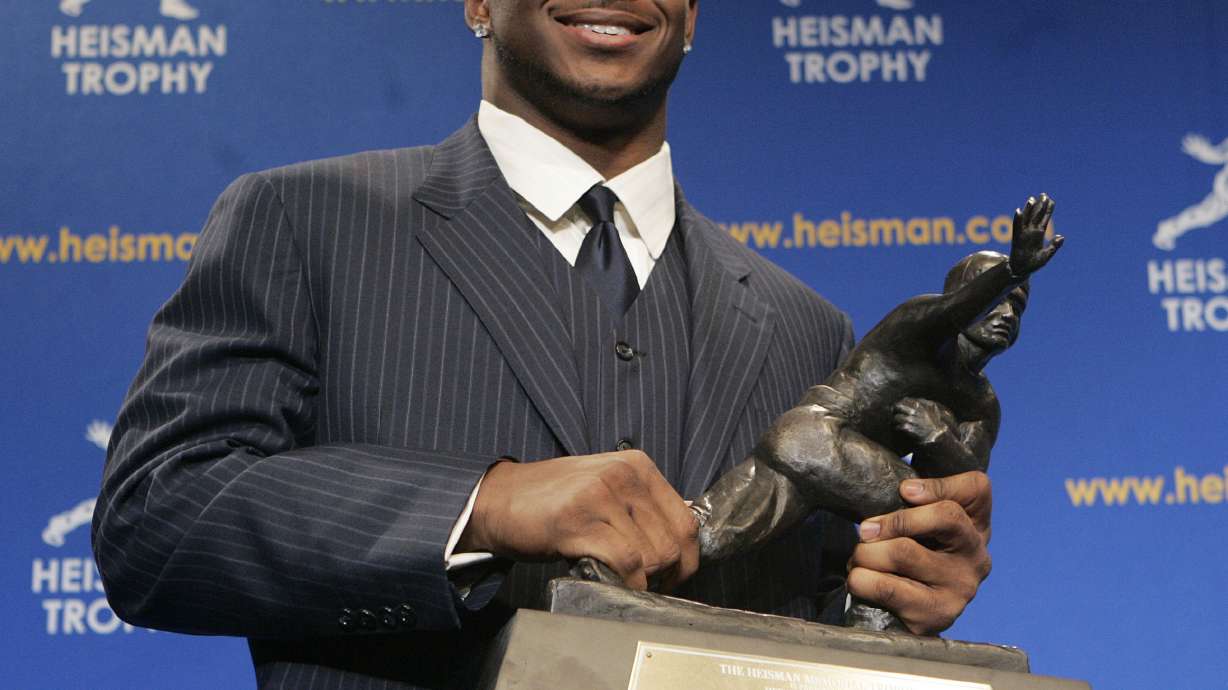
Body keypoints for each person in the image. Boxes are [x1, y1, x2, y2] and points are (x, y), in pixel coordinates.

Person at [92, 1, 994, 688]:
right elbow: (154, 522)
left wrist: (898, 603)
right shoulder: (306, 222)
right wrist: (480, 506)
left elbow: (805, 639)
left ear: (691, 15)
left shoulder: (807, 326)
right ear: (478, 1)